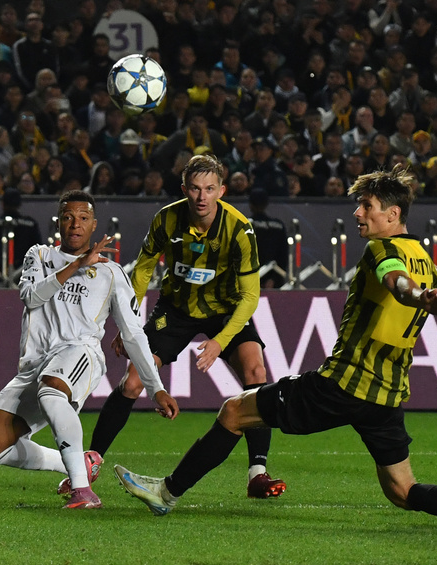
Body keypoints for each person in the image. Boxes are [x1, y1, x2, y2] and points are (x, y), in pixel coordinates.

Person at [114, 165, 437, 530]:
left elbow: (394, 281)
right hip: (386, 396)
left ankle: (166, 493)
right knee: (403, 491)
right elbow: (408, 284)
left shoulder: (382, 250)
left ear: (392, 214)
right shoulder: (426, 260)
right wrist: (427, 294)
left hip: (342, 384)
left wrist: (418, 297)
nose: (358, 213)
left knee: (233, 411)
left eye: (367, 206)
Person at [88, 155, 287, 499]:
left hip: (225, 310)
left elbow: (250, 296)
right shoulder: (166, 219)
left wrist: (220, 341)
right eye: (195, 188)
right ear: (184, 189)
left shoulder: (240, 229)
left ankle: (258, 473)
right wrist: (128, 323)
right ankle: (90, 462)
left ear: (221, 191)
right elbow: (142, 271)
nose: (201, 196)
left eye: (209, 189)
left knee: (255, 371)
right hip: (176, 309)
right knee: (133, 381)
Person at [0, 190, 178, 509]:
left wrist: (156, 388)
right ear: (58, 223)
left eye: (83, 218)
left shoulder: (111, 273)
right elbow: (31, 297)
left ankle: (83, 491)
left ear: (94, 225)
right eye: (68, 217)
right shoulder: (39, 255)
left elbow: (133, 334)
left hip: (79, 354)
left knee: (52, 390)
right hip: (35, 365)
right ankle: (75, 463)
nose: (75, 224)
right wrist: (77, 265)